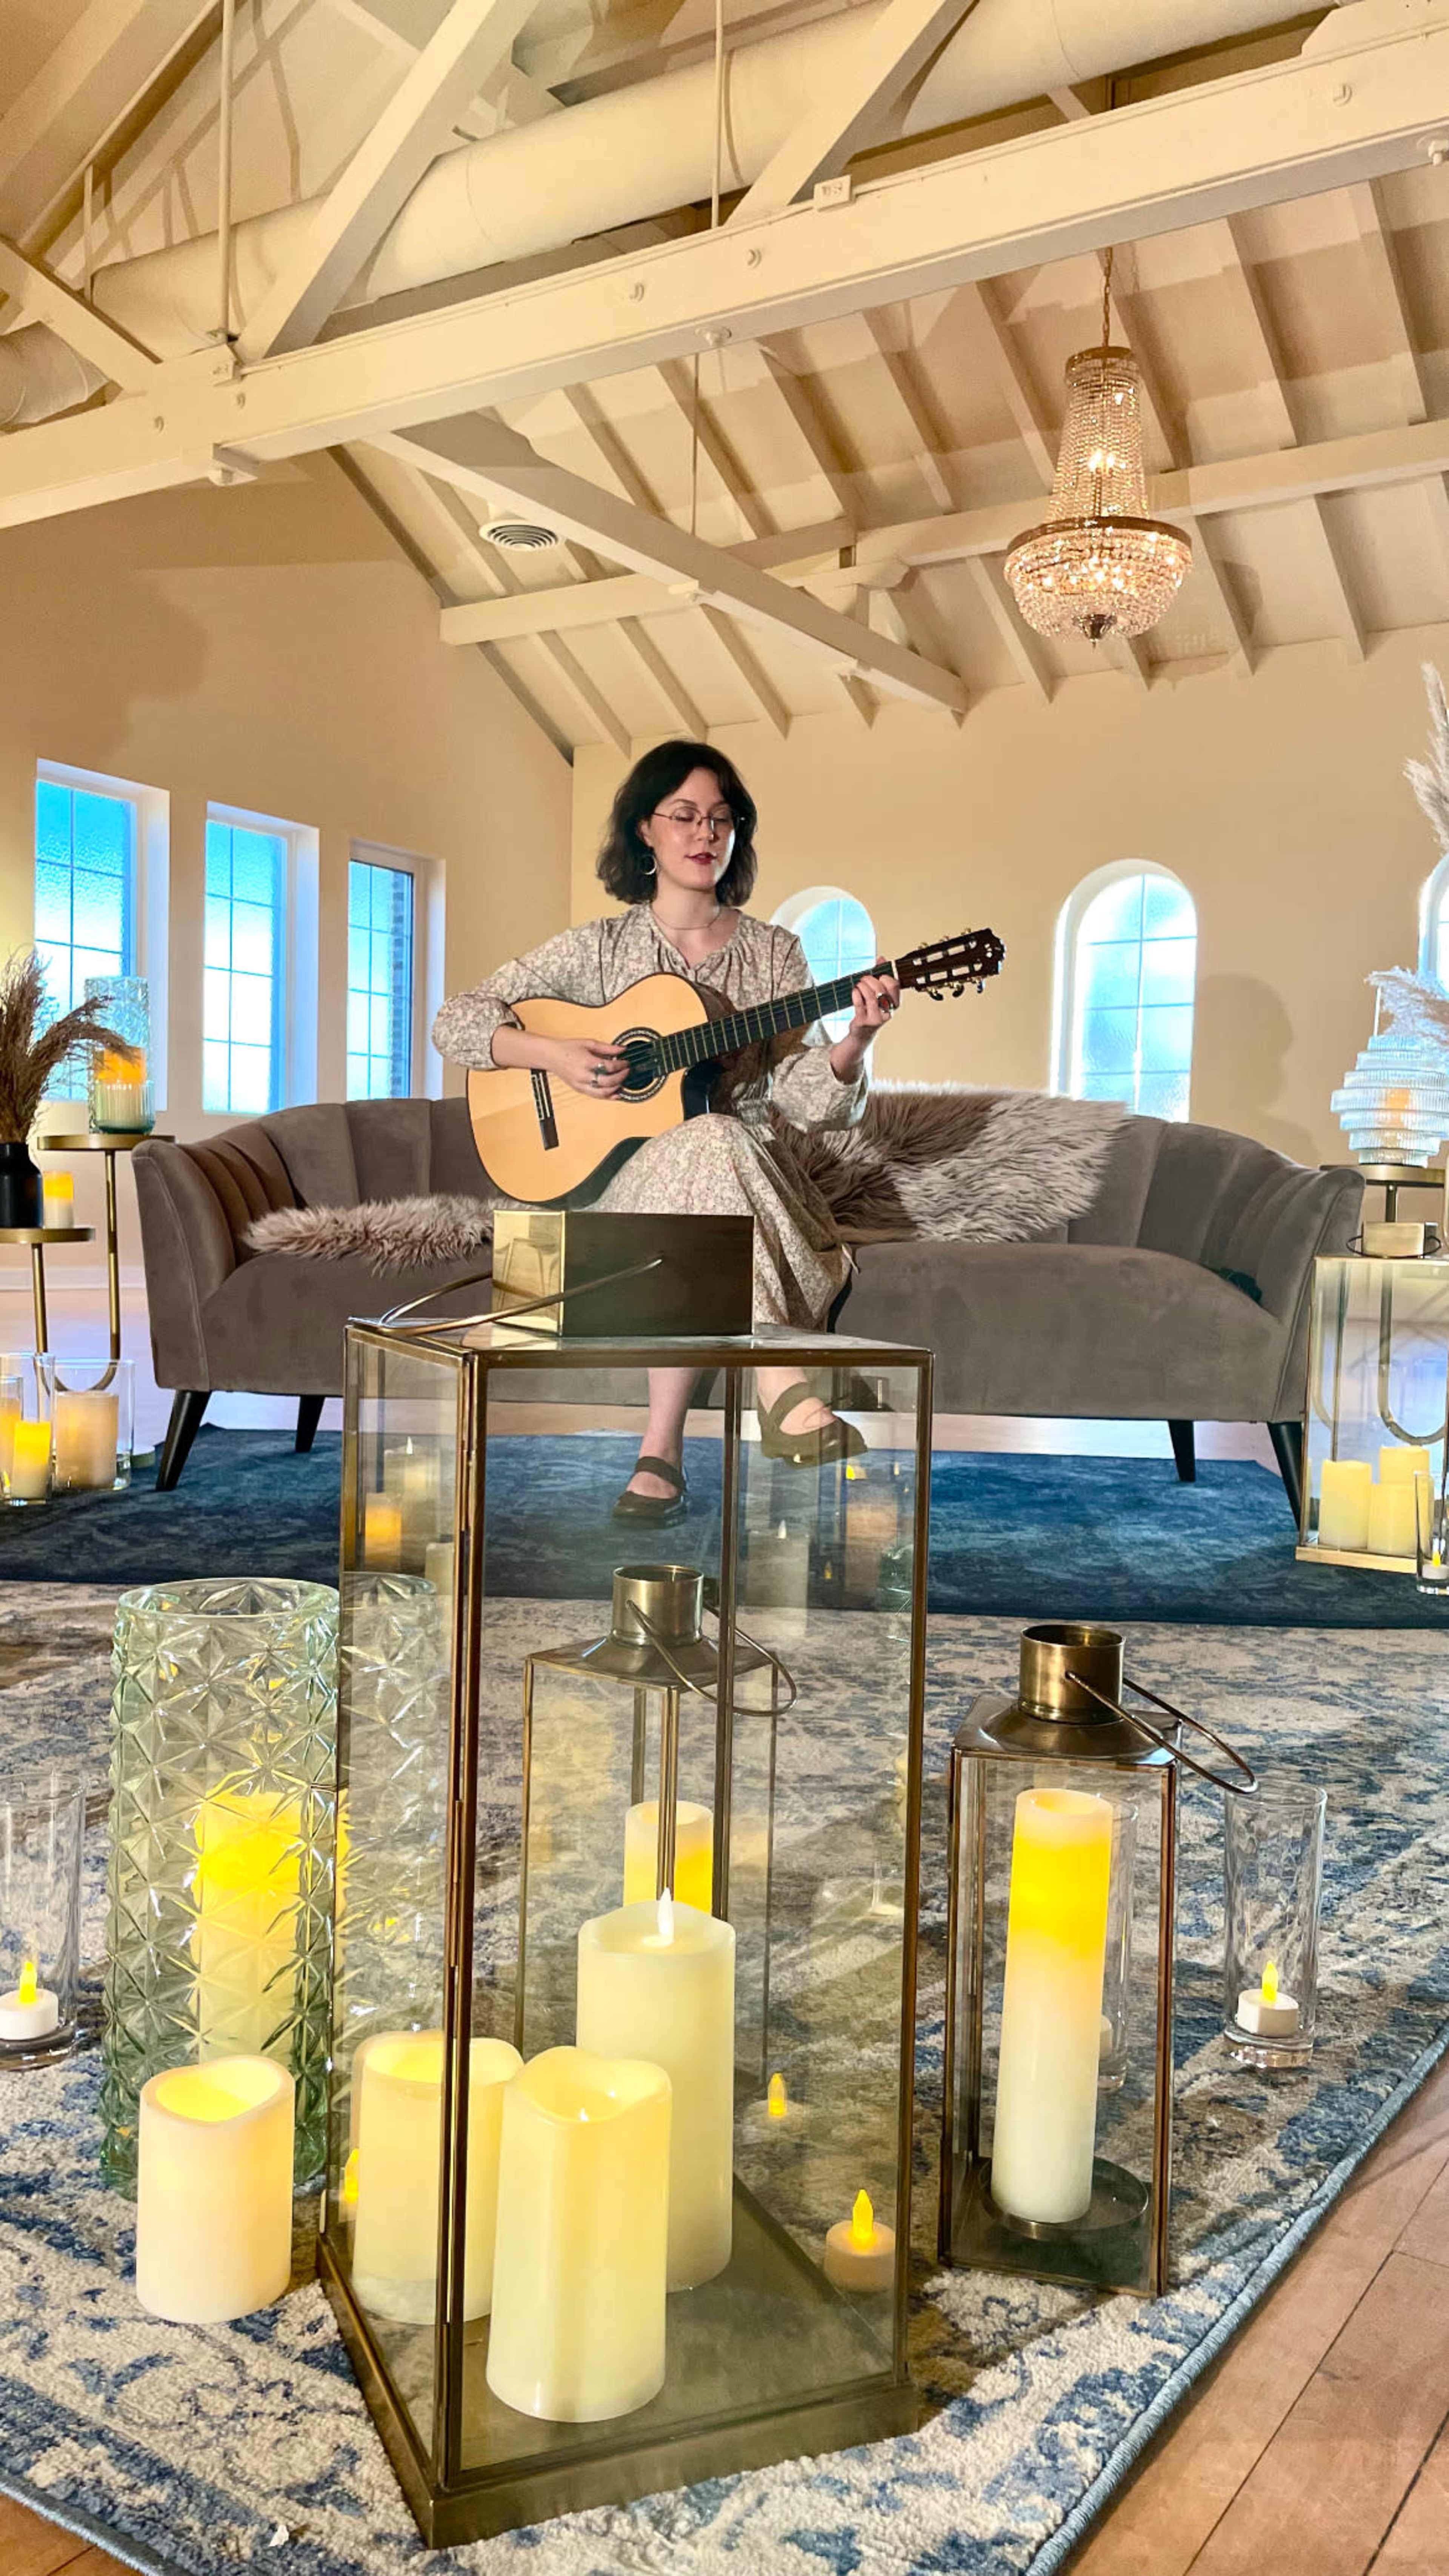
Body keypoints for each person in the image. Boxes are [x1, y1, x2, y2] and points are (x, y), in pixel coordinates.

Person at [432, 738, 900, 1525]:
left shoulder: (774, 953)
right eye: (683, 815)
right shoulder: (597, 951)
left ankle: (661, 1450)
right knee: (705, 1141)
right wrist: (555, 1056)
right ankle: (780, 1386)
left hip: (748, 1186)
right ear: (644, 830)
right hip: (618, 1193)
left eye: (722, 819)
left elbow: (812, 1100)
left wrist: (856, 1039)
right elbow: (456, 1022)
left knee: (715, 1139)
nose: (704, 833)